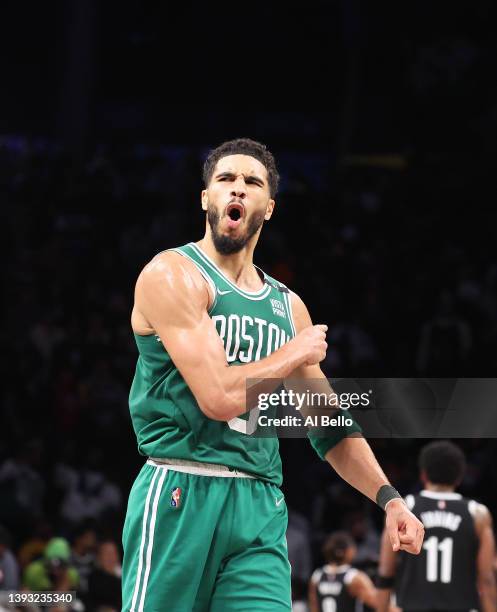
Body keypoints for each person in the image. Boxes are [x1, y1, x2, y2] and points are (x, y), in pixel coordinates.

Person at [122, 138, 424, 611]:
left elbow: (328, 425)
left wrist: (390, 499)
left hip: (259, 503)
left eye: (251, 182)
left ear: (270, 206)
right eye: (224, 180)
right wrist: (292, 354)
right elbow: (219, 397)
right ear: (206, 198)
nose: (236, 190)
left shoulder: (288, 306)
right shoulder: (173, 274)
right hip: (181, 490)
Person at [376, 440, 497, 612]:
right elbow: (487, 579)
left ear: (423, 475)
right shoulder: (478, 514)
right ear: (459, 477)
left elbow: (386, 572)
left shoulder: (404, 508)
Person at [309, 531, 397, 612]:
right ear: (346, 551)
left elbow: (314, 607)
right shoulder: (353, 577)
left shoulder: (317, 576)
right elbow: (380, 604)